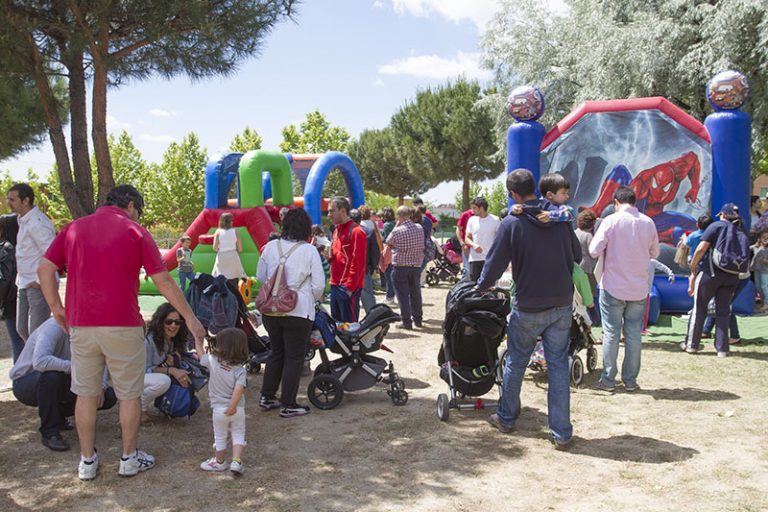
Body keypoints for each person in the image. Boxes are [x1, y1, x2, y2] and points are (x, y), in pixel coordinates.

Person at [38, 184, 206, 481]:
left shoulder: (74, 228)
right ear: (130, 205)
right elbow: (164, 281)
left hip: (81, 325)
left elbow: (44, 268)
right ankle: (129, 458)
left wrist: (56, 308)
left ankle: (87, 461)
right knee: (129, 395)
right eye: (139, 212)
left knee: (86, 394)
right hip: (123, 325)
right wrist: (191, 319)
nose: (139, 218)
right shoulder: (135, 232)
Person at [477, 169, 581, 449]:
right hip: (560, 302)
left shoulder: (513, 222)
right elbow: (577, 255)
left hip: (528, 305)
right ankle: (561, 432)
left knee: (516, 362)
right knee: (558, 366)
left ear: (513, 194)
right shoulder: (561, 217)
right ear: (537, 188)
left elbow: (494, 264)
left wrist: (482, 285)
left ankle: (507, 417)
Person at [589, 186, 659, 392]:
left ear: (616, 202)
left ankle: (609, 380)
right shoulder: (648, 222)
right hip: (638, 287)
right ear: (634, 201)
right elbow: (654, 252)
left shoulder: (611, 220)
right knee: (634, 334)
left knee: (611, 333)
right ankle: (630, 380)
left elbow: (593, 251)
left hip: (612, 286)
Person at [10, 318, 117, 452]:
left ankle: (58, 416)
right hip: (26, 381)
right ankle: (49, 432)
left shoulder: (90, 330)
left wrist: (100, 386)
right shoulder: (53, 327)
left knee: (109, 396)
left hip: (63, 377)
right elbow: (40, 361)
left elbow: (99, 358)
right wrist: (76, 368)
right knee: (52, 376)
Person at [256, 208, 325, 418]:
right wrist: (311, 299)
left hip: (271, 310)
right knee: (294, 357)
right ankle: (289, 403)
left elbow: (260, 276)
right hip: (298, 309)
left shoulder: (270, 247)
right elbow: (319, 285)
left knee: (276, 352)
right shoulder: (309, 251)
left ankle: (267, 396)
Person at [682, 203, 748, 358]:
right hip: (732, 275)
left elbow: (701, 248)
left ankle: (692, 345)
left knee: (700, 308)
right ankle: (722, 349)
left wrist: (693, 266)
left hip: (710, 273)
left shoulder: (716, 226)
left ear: (723, 215)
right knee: (724, 311)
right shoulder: (741, 230)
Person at [6, 183, 56, 341]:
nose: (8, 203)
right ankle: (40, 362)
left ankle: (46, 363)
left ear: (25, 200)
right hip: (24, 283)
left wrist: (40, 281)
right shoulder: (23, 219)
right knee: (22, 329)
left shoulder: (38, 222)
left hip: (38, 284)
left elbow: (51, 253)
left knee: (36, 333)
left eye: (12, 199)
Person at [200, 327, 249, 474]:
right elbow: (238, 389)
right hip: (238, 409)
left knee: (220, 436)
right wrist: (233, 406)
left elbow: (201, 356)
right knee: (239, 434)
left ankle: (219, 462)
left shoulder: (212, 360)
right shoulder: (240, 369)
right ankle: (236, 461)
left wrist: (197, 341)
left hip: (219, 410)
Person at [141, 303, 192, 425]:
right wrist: (171, 370)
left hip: (152, 375)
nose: (173, 325)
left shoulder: (174, 339)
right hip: (136, 376)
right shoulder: (149, 341)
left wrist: (176, 360)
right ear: (160, 322)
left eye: (177, 322)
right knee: (164, 381)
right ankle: (140, 407)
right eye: (168, 322)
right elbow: (145, 369)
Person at [327, 197, 366, 323]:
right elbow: (339, 256)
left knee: (349, 328)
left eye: (332, 211)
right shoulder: (336, 230)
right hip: (335, 285)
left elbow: (358, 262)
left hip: (347, 287)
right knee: (336, 327)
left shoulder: (356, 232)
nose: (329, 215)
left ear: (342, 211)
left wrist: (349, 288)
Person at [385, 206, 425, 330]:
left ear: (399, 216)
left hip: (400, 266)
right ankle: (418, 319)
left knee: (402, 295)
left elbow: (388, 241)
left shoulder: (397, 231)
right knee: (415, 293)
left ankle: (407, 322)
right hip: (416, 266)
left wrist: (397, 226)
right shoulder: (419, 228)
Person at [0, 214, 24, 362]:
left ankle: (20, 378)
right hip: (18, 297)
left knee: (17, 342)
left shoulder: (6, 248)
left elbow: (3, 279)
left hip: (11, 301)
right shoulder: (21, 247)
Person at [350, 207, 381, 315]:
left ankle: (351, 322)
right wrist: (372, 267)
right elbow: (375, 252)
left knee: (351, 299)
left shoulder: (342, 231)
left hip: (348, 270)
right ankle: (373, 321)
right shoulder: (369, 231)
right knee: (367, 295)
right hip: (364, 268)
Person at [465, 197, 500, 281]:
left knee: (489, 286)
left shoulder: (495, 220)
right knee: (474, 286)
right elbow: (467, 238)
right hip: (474, 259)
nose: (472, 210)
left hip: (489, 259)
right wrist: (474, 245)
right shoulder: (471, 220)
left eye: (474, 208)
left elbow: (500, 239)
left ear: (481, 208)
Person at [575, 209, 600, 324]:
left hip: (576, 265)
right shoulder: (588, 235)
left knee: (579, 294)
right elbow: (593, 253)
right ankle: (594, 319)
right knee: (591, 294)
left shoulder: (575, 232)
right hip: (588, 267)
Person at [212, 212, 246, 284]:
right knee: (234, 277)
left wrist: (220, 249)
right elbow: (240, 248)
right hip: (233, 255)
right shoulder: (235, 231)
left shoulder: (218, 232)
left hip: (222, 256)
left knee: (220, 277)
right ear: (230, 222)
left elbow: (215, 247)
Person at [380, 207, 397, 305]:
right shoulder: (395, 223)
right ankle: (391, 296)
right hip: (395, 252)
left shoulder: (387, 225)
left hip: (388, 251)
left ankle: (389, 297)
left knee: (388, 274)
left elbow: (386, 239)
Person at [751, 230, 768, 312]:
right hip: (757, 269)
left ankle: (766, 303)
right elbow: (747, 248)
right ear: (760, 238)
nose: (766, 239)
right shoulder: (756, 247)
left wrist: (765, 261)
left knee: (764, 286)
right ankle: (764, 300)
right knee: (758, 286)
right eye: (764, 237)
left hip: (765, 270)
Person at [455, 207, 474, 276]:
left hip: (478, 247)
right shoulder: (465, 215)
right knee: (467, 268)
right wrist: (462, 244)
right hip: (467, 246)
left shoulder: (481, 215)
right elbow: (458, 230)